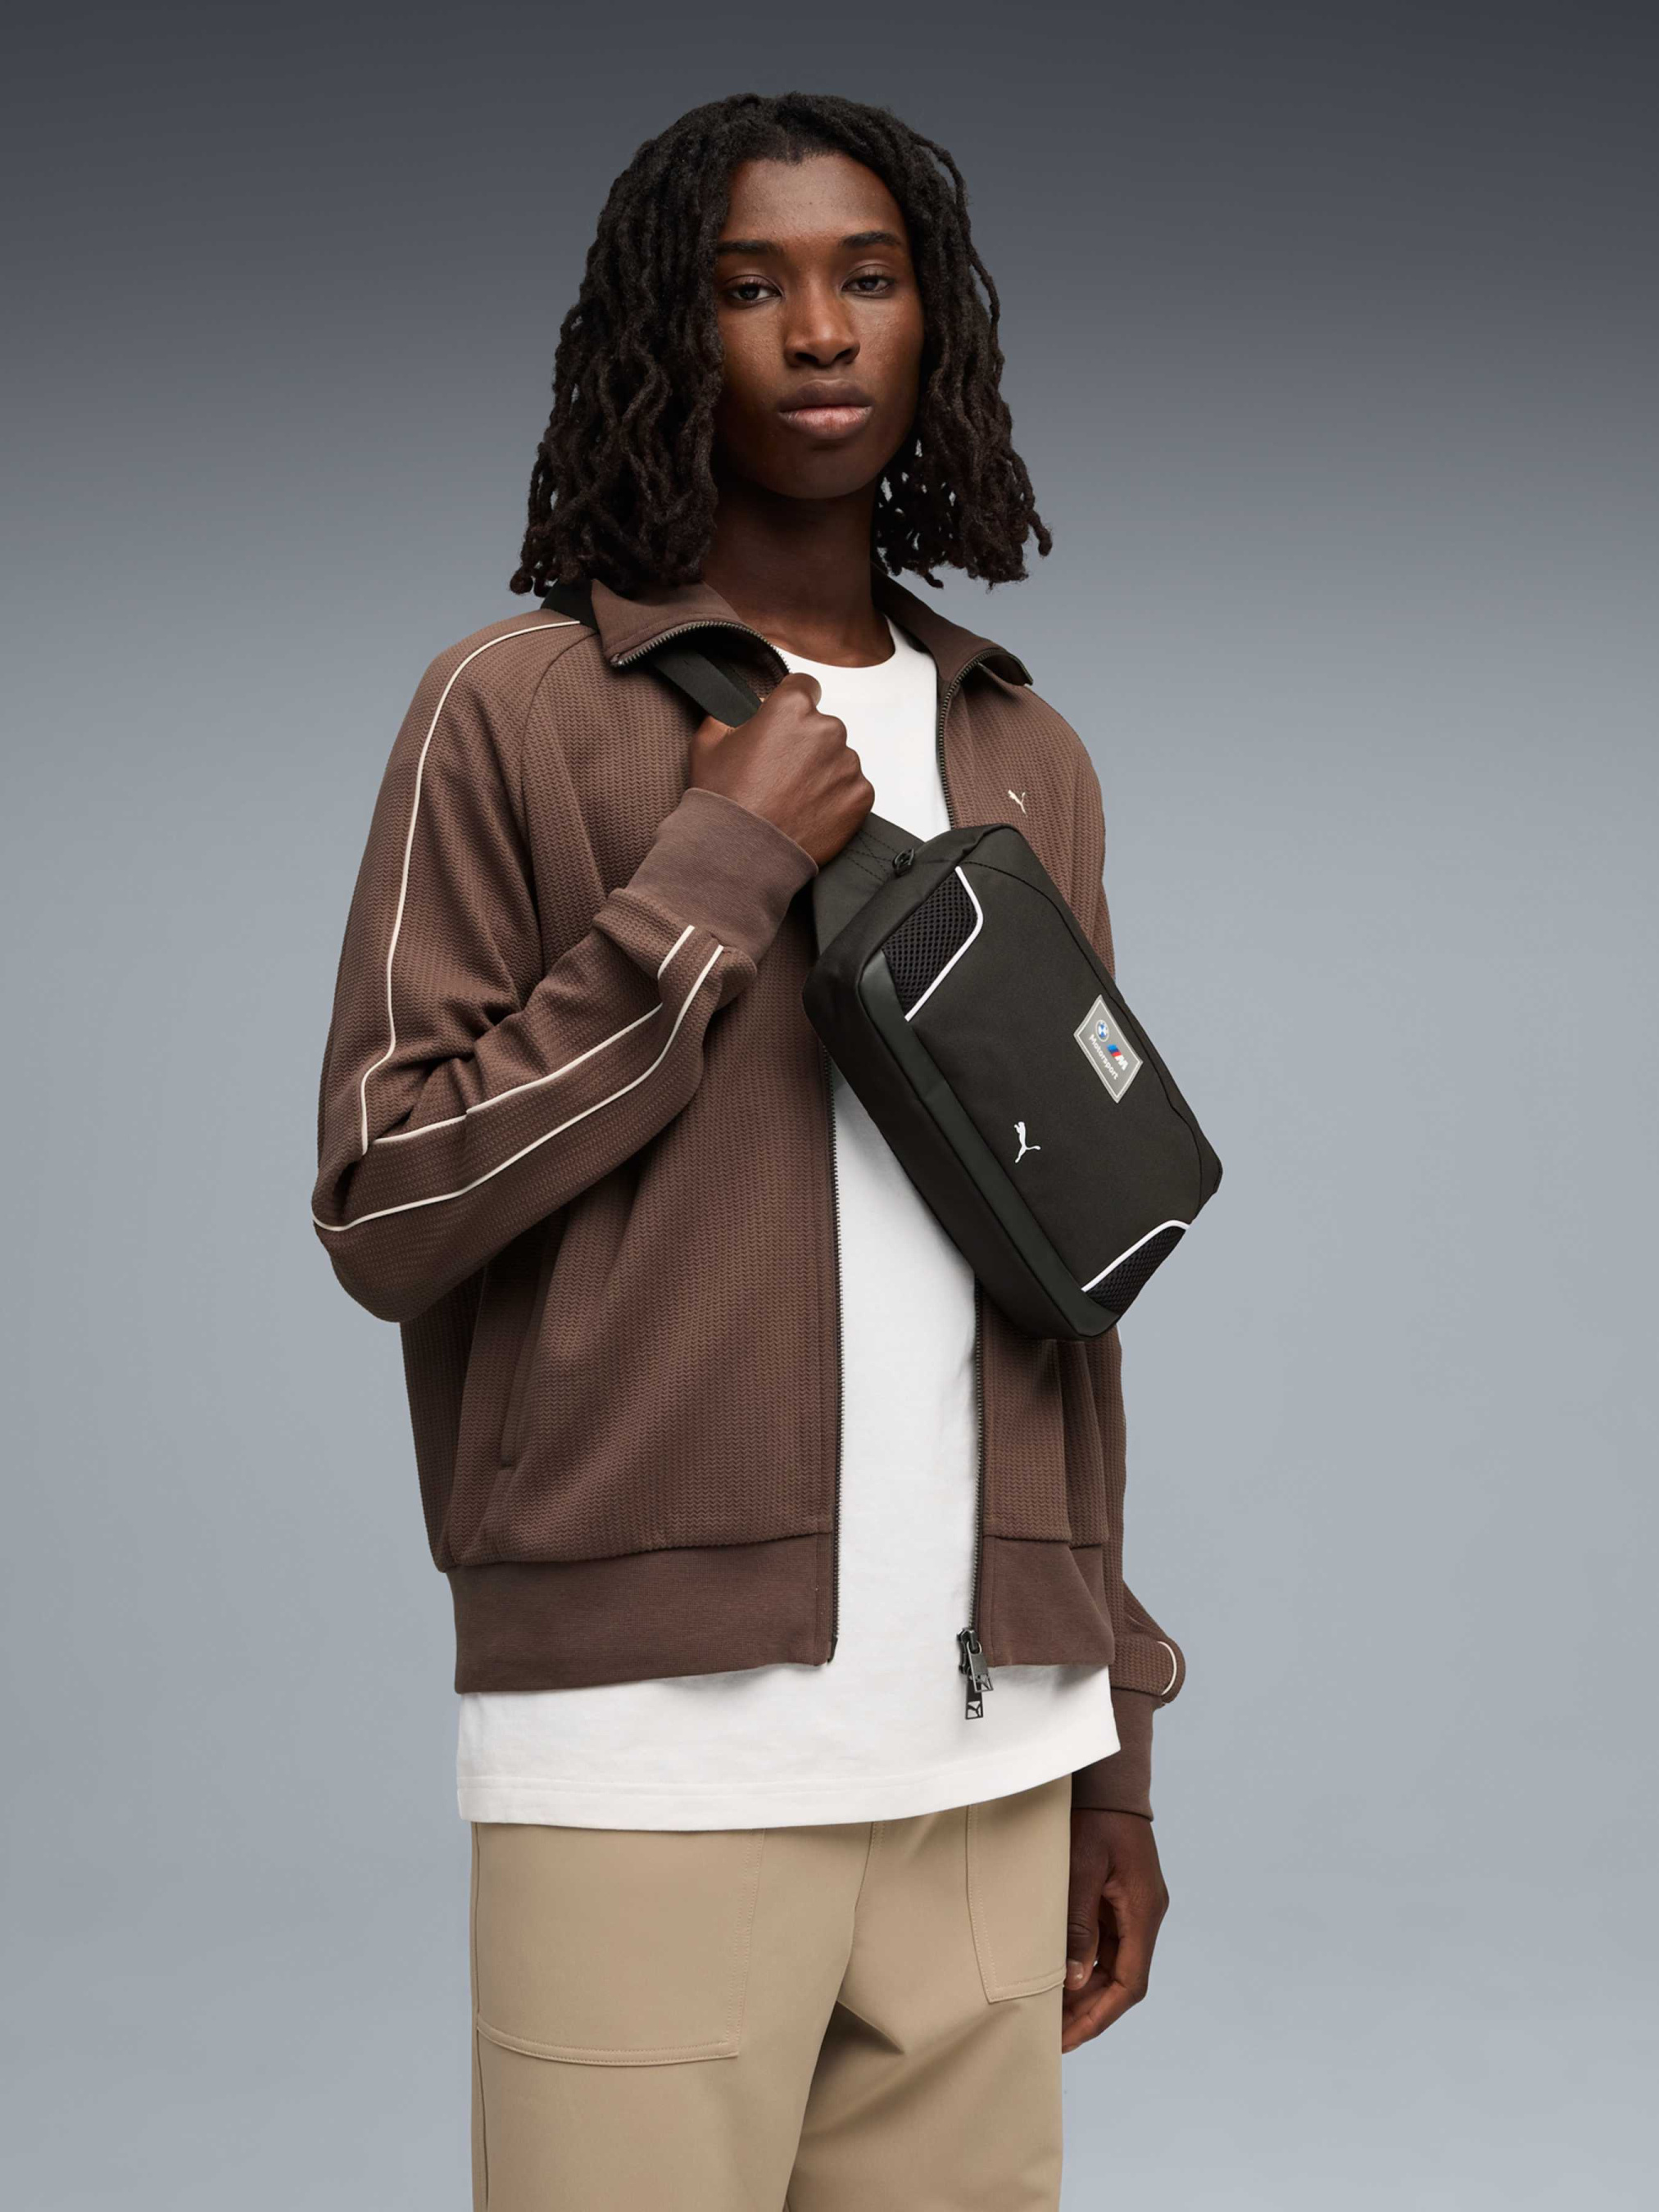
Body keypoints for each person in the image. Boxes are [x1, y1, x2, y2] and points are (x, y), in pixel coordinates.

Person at [311, 89, 1185, 2212]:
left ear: (931, 324)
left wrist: (1114, 1741)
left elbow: (1065, 1267)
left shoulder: (1023, 751)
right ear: (663, 334)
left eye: (866, 277)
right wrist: (715, 869)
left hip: (991, 1761)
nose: (816, 330)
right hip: (645, 1759)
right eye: (748, 284)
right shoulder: (517, 709)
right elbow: (387, 1199)